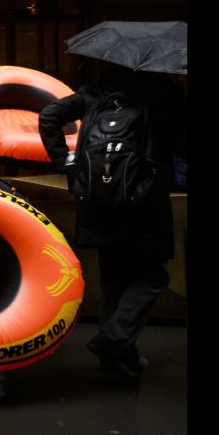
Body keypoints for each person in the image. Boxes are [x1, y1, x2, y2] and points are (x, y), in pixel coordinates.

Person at [38, 64, 182, 382]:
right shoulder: (163, 95)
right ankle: (113, 340)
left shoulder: (93, 94)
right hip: (145, 201)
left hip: (98, 199)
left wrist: (65, 161)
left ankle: (118, 359)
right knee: (152, 274)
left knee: (113, 276)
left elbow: (49, 115)